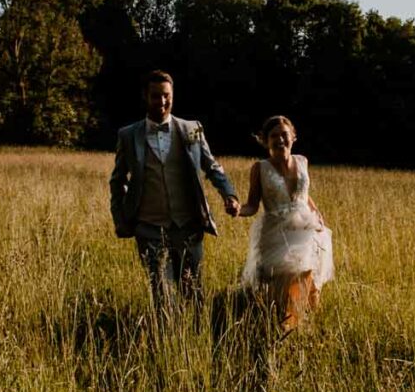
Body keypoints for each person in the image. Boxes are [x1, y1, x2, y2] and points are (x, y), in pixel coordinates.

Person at [109, 70, 240, 323]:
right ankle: (166, 346)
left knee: (193, 294)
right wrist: (120, 218)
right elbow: (117, 181)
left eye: (166, 96)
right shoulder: (128, 135)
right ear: (145, 97)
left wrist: (229, 194)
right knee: (162, 296)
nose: (162, 102)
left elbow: (211, 166)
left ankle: (196, 343)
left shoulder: (191, 129)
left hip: (188, 226)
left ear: (173, 96)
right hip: (148, 228)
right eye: (156, 96)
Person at [239, 116, 333, 331]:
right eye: (274, 136)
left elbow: (304, 195)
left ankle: (309, 331)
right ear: (265, 141)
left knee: (310, 283)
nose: (280, 139)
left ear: (293, 137)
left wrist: (316, 212)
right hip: (277, 232)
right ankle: (283, 328)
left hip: (307, 230)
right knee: (283, 290)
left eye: (284, 135)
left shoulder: (302, 161)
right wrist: (238, 210)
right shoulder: (260, 168)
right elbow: (252, 205)